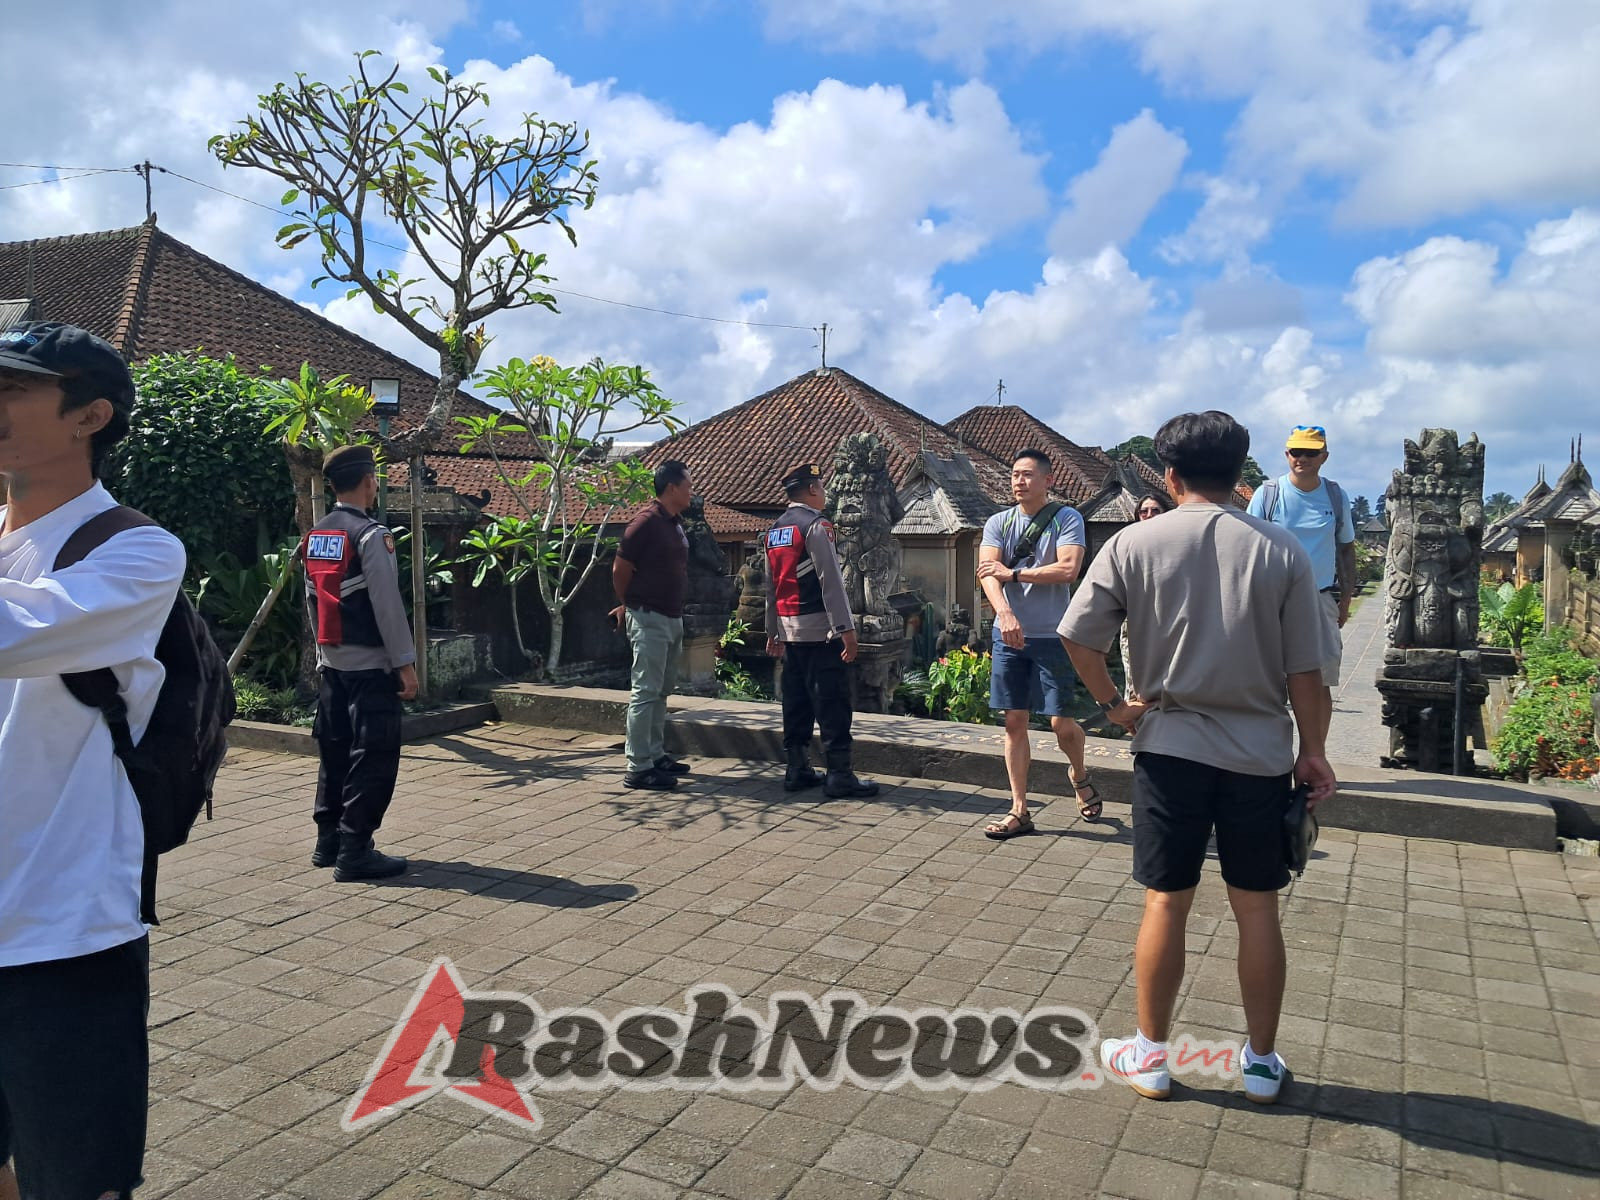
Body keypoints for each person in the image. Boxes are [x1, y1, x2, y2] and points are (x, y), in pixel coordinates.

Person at [1058, 411, 1338, 1105]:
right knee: (1257, 909)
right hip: (1260, 753)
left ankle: (1150, 1056)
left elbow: (1078, 638)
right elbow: (1309, 673)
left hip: (1170, 746)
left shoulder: (1134, 543)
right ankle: (1262, 1065)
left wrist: (1115, 706)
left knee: (1166, 900)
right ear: (1242, 475)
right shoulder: (1281, 553)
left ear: (1171, 475)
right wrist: (1316, 753)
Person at [0, 322, 185, 1199]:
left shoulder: (136, 551)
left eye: (13, 390)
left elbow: (16, 630)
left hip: (62, 922)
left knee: (73, 1179)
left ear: (91, 415)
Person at [304, 445, 419, 882]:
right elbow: (387, 605)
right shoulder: (372, 534)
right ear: (369, 481)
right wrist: (404, 664)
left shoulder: (317, 533)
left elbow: (312, 599)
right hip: (371, 665)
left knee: (334, 752)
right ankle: (355, 850)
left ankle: (327, 841)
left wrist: (321, 657)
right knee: (373, 755)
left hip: (332, 663)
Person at [977, 449, 1093, 838]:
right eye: (1014, 475)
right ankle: (1019, 809)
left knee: (1061, 722)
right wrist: (1005, 614)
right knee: (1014, 721)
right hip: (1008, 635)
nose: (1019, 481)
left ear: (1047, 480)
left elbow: (1067, 569)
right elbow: (986, 573)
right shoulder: (998, 522)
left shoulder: (1066, 518)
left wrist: (1014, 574)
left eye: (1027, 475)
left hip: (1053, 634)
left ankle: (1077, 772)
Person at [764, 462, 879, 798]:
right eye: (822, 486)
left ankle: (796, 768)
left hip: (789, 630)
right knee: (832, 702)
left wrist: (772, 631)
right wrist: (846, 628)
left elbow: (773, 586)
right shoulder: (816, 525)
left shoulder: (775, 530)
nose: (824, 493)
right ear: (812, 490)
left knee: (795, 701)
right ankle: (840, 775)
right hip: (819, 630)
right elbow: (831, 581)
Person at [1246, 425, 1356, 742]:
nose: (1302, 459)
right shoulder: (1268, 495)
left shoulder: (1334, 496)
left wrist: (1345, 601)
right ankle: (1267, 754)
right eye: (1296, 452)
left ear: (1324, 456)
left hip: (1319, 597)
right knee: (1266, 682)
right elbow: (1247, 547)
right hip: (1272, 599)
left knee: (1320, 682)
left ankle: (1314, 752)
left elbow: (1346, 549)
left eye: (1310, 453)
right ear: (1286, 454)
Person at [611, 460, 693, 791]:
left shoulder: (674, 522)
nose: (692, 491)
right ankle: (638, 766)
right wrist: (629, 603)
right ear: (671, 487)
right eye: (688, 485)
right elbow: (620, 568)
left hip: (671, 616)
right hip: (649, 616)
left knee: (661, 691)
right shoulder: (645, 522)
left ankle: (656, 755)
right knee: (645, 692)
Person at [1118, 496, 1167, 702]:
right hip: (1135, 617)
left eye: (1155, 510)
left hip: (1169, 618)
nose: (1149, 515)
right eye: (1144, 511)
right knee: (1134, 676)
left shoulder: (1176, 544)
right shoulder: (1127, 543)